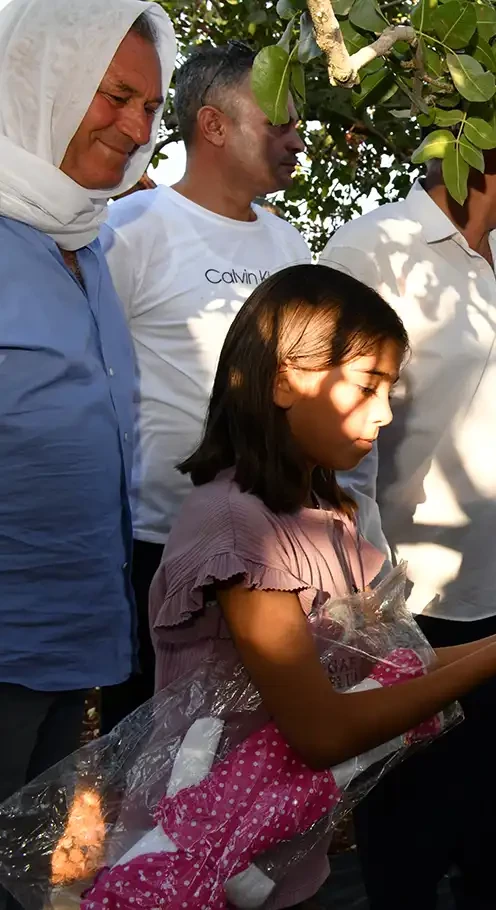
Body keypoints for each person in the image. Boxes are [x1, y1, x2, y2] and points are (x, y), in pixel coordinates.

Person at [149, 263, 496, 910]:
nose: (386, 413)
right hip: (199, 869)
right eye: (368, 386)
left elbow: (382, 671)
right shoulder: (241, 535)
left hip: (278, 859)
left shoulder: (319, 514)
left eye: (390, 390)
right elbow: (321, 729)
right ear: (286, 378)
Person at [319, 108, 496, 910]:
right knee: (413, 843)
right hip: (424, 610)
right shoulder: (372, 251)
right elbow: (339, 444)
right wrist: (373, 600)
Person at [0, 0, 175, 855]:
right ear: (41, 83)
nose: (137, 124)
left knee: (22, 867)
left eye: (149, 105)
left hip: (73, 643)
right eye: (114, 95)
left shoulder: (90, 244)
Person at [100, 40, 311, 733]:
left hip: (267, 545)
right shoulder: (130, 231)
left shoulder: (289, 247)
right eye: (277, 118)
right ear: (213, 125)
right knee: (148, 751)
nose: (296, 136)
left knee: (251, 749)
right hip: (154, 551)